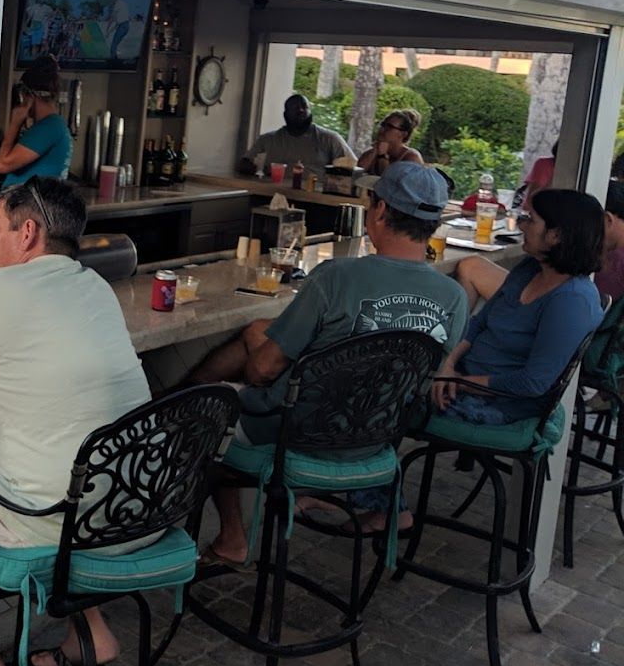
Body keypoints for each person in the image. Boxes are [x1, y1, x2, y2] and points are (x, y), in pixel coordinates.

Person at [188, 163, 467, 561]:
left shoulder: (336, 276)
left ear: (381, 210)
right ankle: (309, 498)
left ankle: (231, 539)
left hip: (294, 435)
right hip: (372, 445)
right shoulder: (453, 297)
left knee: (206, 407)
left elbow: (262, 370)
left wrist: (255, 355)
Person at [0, 178, 152, 666]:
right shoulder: (96, 286)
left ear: (27, 233)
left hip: (55, 523)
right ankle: (89, 630)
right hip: (137, 509)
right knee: (68, 462)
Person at [431, 187, 604, 436]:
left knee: (391, 394)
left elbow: (532, 383)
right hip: (462, 380)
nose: (521, 226)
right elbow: (480, 322)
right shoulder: (531, 268)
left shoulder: (572, 301)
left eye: (530, 220)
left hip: (502, 403)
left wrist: (457, 381)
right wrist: (447, 364)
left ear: (555, 235)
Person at [0, 54, 73, 187]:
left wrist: (15, 122)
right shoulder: (52, 127)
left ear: (29, 96)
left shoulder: (49, 128)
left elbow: (2, 165)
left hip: (29, 206)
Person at [239, 94, 355, 178]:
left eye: (304, 107)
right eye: (294, 108)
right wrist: (256, 169)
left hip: (316, 200)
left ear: (310, 111)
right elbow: (244, 163)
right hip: (271, 196)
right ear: (285, 114)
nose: (300, 110)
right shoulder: (267, 140)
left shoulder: (330, 139)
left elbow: (353, 168)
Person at [357, 108, 425, 174]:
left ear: (403, 134)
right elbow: (357, 173)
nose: (382, 129)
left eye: (389, 127)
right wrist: (374, 151)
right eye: (383, 125)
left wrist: (382, 156)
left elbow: (388, 181)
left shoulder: (411, 158)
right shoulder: (372, 152)